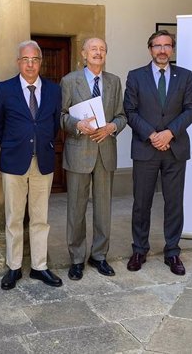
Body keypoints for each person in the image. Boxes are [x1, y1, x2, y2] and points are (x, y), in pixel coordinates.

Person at [123, 29, 192, 276]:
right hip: (146, 148)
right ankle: (139, 249)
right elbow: (130, 111)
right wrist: (153, 135)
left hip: (175, 149)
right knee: (141, 203)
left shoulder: (184, 76)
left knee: (174, 203)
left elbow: (190, 110)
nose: (162, 50)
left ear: (172, 49)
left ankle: (173, 251)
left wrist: (169, 133)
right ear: (150, 49)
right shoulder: (135, 77)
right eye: (157, 46)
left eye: (167, 45)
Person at [0, 40, 63, 290]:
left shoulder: (54, 90)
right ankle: (13, 267)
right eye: (25, 59)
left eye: (35, 60)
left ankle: (39, 267)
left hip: (42, 161)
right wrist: (14, 145)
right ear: (18, 62)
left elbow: (54, 125)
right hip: (14, 162)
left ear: (40, 62)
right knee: (14, 217)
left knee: (40, 217)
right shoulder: (4, 89)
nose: (30, 64)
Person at [60, 38, 127, 280]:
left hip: (105, 151)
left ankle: (99, 255)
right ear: (83, 54)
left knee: (103, 209)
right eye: (93, 49)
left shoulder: (114, 82)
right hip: (78, 151)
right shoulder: (69, 81)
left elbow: (122, 115)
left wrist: (111, 127)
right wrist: (77, 124)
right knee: (76, 209)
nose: (98, 53)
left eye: (102, 50)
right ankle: (77, 258)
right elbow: (60, 115)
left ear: (105, 55)